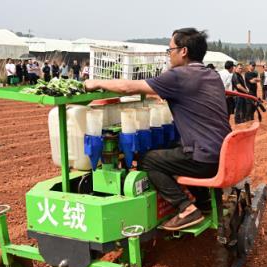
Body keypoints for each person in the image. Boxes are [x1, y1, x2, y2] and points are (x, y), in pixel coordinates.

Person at [84, 28, 231, 231]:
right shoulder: (211, 74)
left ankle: (186, 209)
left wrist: (95, 82)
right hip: (222, 154)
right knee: (176, 145)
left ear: (184, 51)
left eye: (170, 49)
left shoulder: (179, 76)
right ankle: (204, 202)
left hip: (204, 159)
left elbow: (128, 88)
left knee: (148, 159)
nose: (168, 54)